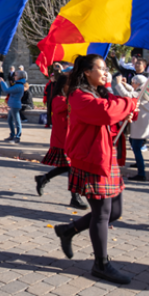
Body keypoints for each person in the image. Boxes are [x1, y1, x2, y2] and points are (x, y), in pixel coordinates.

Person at [53, 54, 137, 284]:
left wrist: (127, 113)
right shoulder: (79, 95)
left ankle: (68, 230)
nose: (106, 72)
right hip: (92, 158)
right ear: (87, 72)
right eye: (101, 68)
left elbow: (115, 114)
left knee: (115, 212)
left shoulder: (101, 93)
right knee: (102, 214)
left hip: (106, 157)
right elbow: (106, 113)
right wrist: (128, 104)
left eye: (106, 68)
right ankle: (101, 264)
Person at [35, 74, 88, 210]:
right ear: (63, 86)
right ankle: (74, 197)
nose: (72, 88)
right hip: (62, 140)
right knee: (72, 168)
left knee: (68, 167)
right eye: (70, 85)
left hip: (71, 139)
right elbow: (72, 105)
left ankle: (44, 178)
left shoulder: (66, 99)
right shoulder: (58, 100)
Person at [113, 74, 149, 182]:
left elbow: (129, 95)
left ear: (138, 83)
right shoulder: (145, 89)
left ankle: (141, 173)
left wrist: (118, 84)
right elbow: (132, 89)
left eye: (133, 82)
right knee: (133, 142)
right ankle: (139, 163)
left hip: (142, 123)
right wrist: (123, 84)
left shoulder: (142, 92)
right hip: (141, 122)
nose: (132, 84)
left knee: (136, 146)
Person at [0, 71, 25, 143]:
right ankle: (12, 135)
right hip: (13, 104)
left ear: (20, 76)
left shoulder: (18, 86)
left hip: (15, 105)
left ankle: (17, 137)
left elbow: (6, 90)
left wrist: (2, 82)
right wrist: (4, 82)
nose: (14, 76)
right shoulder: (18, 85)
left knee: (17, 121)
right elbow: (9, 90)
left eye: (16, 75)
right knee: (10, 120)